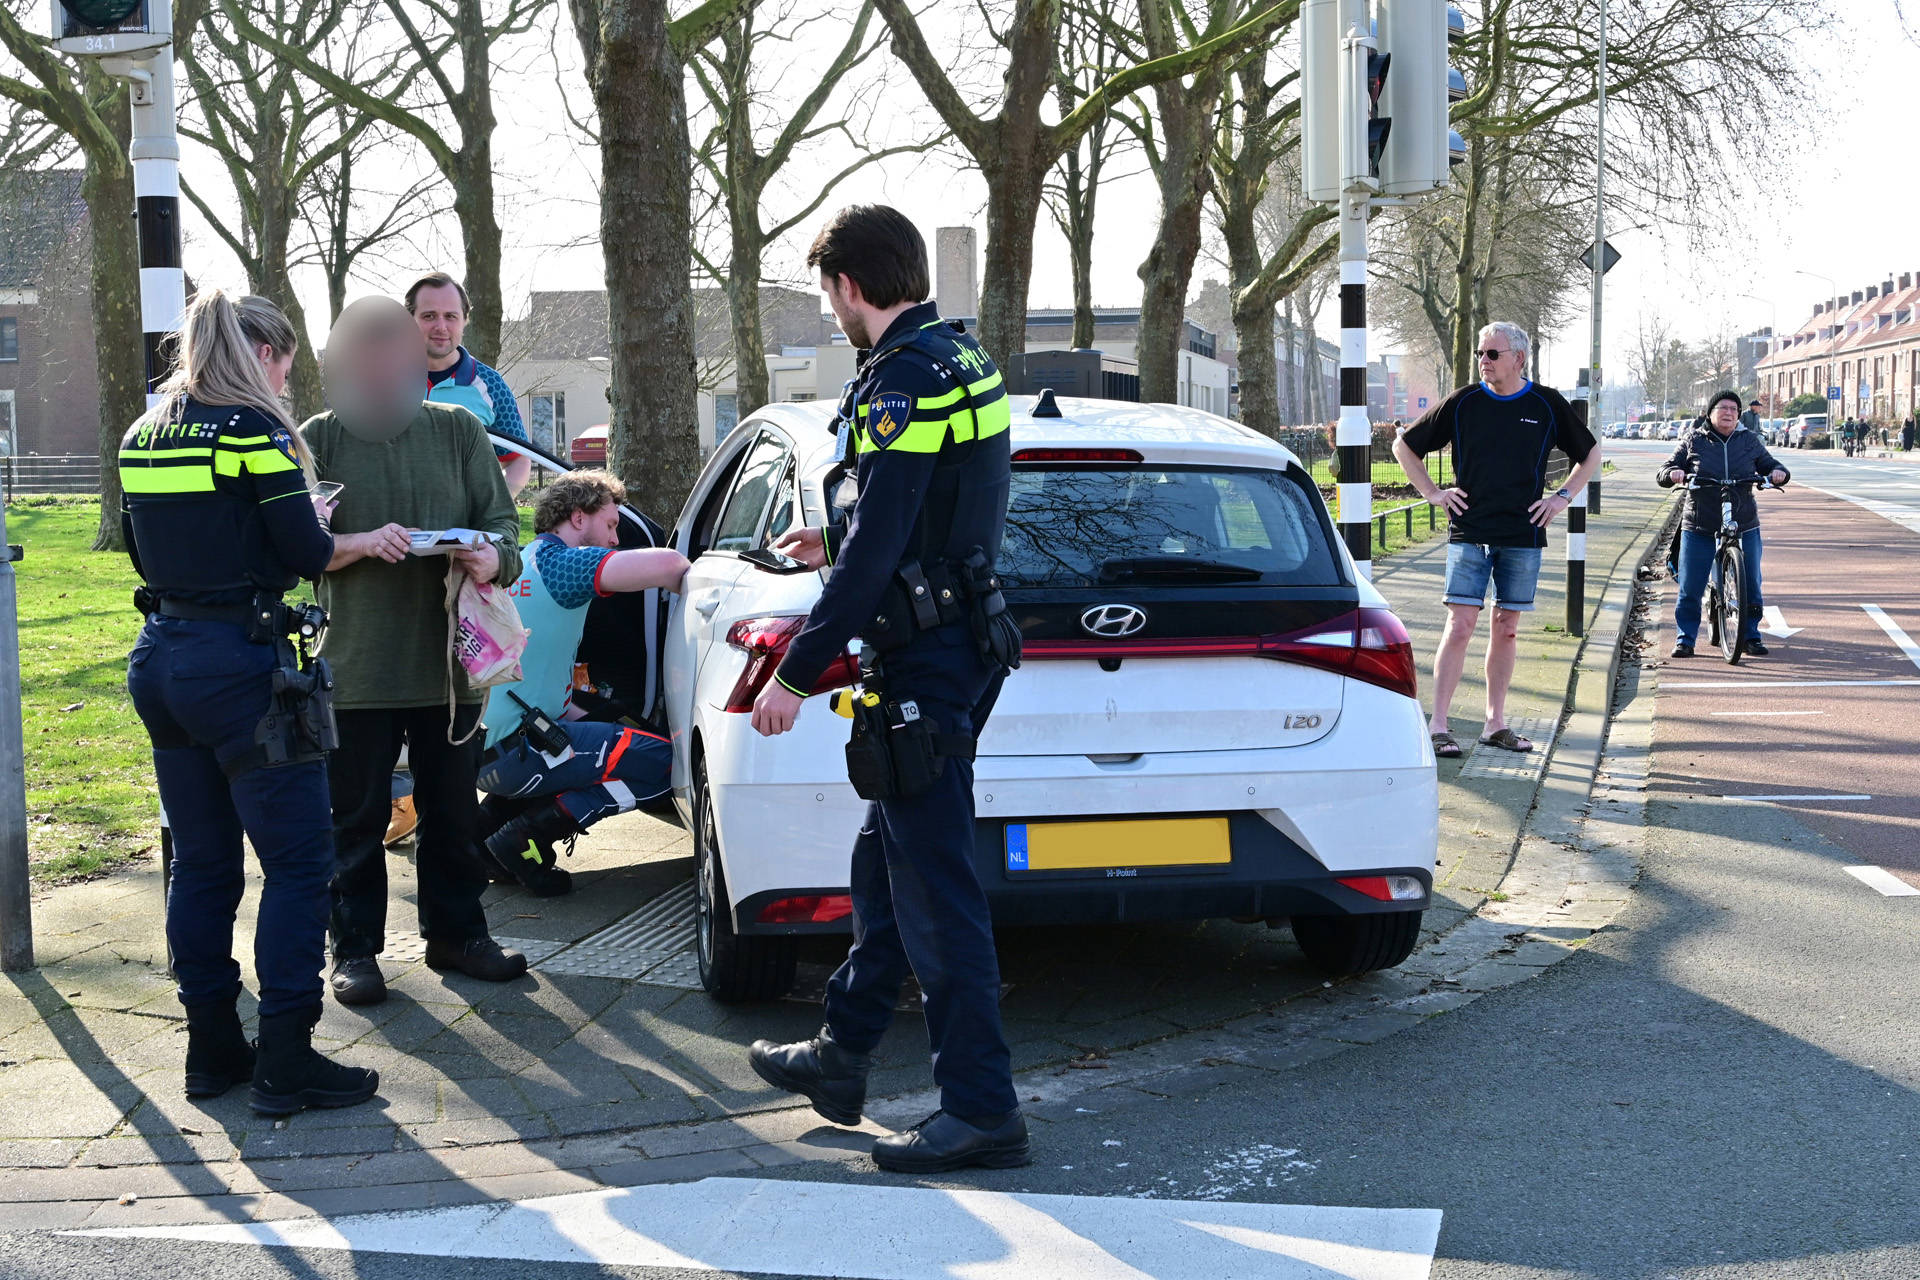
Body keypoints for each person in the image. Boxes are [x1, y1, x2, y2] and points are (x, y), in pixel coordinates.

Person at [744, 205, 1027, 1174]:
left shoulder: (900, 379)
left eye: (831, 293)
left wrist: (795, 669)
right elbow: (942, 500)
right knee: (888, 862)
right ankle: (844, 1052)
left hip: (925, 660)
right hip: (965, 635)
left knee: (937, 888)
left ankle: (982, 1108)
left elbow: (876, 552)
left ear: (852, 286)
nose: (833, 311)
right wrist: (841, 538)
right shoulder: (962, 358)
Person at [119, 289, 382, 1116]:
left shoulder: (143, 433)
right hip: (242, 667)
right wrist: (309, 513)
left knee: (201, 865)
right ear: (264, 355)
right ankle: (288, 1057)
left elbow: (140, 541)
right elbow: (306, 551)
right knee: (301, 864)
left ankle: (212, 1050)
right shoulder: (254, 432)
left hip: (162, 659)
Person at [303, 296, 530, 1008]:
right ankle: (356, 951)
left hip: (449, 668)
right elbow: (299, 550)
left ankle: (457, 935)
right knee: (356, 820)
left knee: (454, 813)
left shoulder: (459, 430)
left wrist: (490, 558)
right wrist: (359, 546)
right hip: (358, 666)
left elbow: (504, 530)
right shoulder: (319, 437)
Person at [1390, 321, 1602, 759]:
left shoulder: (1546, 404)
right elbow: (1404, 447)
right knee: (1460, 624)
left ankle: (1494, 724)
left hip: (1523, 533)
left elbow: (1591, 453)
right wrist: (1432, 493)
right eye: (1480, 354)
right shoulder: (1464, 401)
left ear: (1519, 358)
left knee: (1506, 629)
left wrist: (1561, 499)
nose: (1483, 361)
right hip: (1469, 530)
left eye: (1492, 354)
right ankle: (1439, 725)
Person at [473, 471, 689, 896]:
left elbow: (547, 687)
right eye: (610, 525)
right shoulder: (562, 565)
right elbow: (671, 564)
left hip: (486, 753)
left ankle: (483, 837)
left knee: (612, 734)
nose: (614, 539)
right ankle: (526, 838)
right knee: (667, 767)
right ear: (577, 518)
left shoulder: (526, 558)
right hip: (520, 753)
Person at [384, 272, 534, 850]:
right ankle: (402, 799)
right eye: (428, 316)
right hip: (395, 560)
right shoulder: (386, 380)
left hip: (464, 564)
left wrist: (492, 516)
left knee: (459, 682)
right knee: (391, 686)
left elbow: (518, 461)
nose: (440, 327)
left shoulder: (488, 384)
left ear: (464, 321)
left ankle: (450, 808)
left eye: (450, 316)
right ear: (410, 321)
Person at [1657, 390, 1790, 658]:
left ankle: (1751, 635)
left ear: (1739, 415)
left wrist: (1778, 474)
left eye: (1733, 409)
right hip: (1700, 521)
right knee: (1691, 584)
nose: (1728, 413)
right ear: (1710, 412)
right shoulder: (1694, 440)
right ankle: (1685, 638)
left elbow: (1771, 465)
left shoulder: (1748, 440)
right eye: (1723, 408)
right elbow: (1665, 469)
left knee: (1751, 580)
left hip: (1744, 520)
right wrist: (1674, 473)